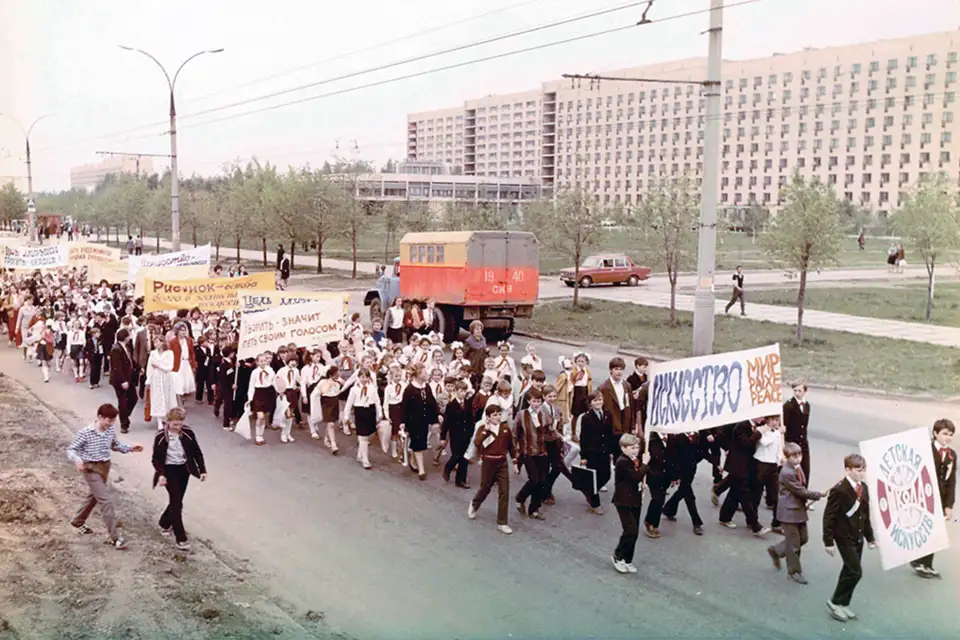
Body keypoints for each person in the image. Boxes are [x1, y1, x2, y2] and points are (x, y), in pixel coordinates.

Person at [67, 403, 144, 550]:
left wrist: (130, 448)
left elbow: (115, 445)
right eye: (109, 420)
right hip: (90, 468)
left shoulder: (110, 430)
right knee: (106, 501)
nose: (110, 424)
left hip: (104, 467)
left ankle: (77, 521)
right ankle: (116, 538)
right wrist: (77, 461)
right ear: (100, 417)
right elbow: (71, 449)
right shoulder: (85, 433)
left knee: (94, 496)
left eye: (113, 421)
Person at [823, 454, 877, 623]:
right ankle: (834, 601)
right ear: (848, 470)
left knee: (849, 570)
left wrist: (870, 538)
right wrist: (828, 541)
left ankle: (843, 603)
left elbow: (865, 515)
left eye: (864, 470)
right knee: (856, 571)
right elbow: (829, 516)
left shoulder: (864, 488)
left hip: (858, 535)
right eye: (859, 470)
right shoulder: (839, 490)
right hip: (843, 536)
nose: (862, 474)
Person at [766, 442, 826, 584]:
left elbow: (801, 488)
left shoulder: (797, 468)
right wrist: (818, 494)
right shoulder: (787, 473)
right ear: (787, 457)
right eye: (794, 456)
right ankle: (794, 572)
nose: (798, 459)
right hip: (789, 512)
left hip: (798, 509)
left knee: (803, 538)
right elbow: (800, 490)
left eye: (799, 455)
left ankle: (777, 550)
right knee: (794, 544)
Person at [151, 408, 207, 551]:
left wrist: (202, 470)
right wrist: (161, 474)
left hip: (184, 469)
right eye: (175, 424)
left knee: (177, 500)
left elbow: (196, 452)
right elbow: (156, 459)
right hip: (169, 471)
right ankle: (180, 538)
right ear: (168, 422)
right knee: (177, 504)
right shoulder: (161, 437)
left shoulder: (188, 433)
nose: (178, 427)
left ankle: (164, 523)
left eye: (180, 424)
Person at [910, 419, 956, 579]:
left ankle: (926, 564)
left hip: (941, 499)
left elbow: (951, 482)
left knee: (936, 531)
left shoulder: (952, 455)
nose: (947, 438)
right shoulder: (925, 450)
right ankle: (919, 561)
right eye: (944, 434)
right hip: (924, 497)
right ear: (935, 434)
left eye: (950, 435)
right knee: (927, 530)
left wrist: (949, 505)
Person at [468, 405, 517, 535]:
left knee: (504, 491)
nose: (497, 417)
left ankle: (502, 522)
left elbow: (511, 447)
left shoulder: (505, 429)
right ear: (488, 417)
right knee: (485, 488)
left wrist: (515, 462)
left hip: (502, 463)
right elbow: (477, 443)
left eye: (499, 414)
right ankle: (474, 504)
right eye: (494, 415)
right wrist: (486, 431)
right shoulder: (483, 428)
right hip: (488, 463)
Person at [718, 417, 771, 537]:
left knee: (734, 493)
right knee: (745, 495)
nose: (763, 419)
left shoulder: (757, 426)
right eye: (761, 416)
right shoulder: (741, 426)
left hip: (748, 466)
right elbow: (746, 443)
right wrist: (759, 433)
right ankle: (755, 526)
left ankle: (724, 517)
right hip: (738, 465)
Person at [611, 433, 648, 574]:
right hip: (623, 501)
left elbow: (640, 476)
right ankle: (617, 555)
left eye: (637, 447)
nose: (635, 450)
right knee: (630, 530)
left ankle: (628, 560)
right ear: (623, 448)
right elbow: (636, 477)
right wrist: (645, 464)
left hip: (635, 499)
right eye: (632, 448)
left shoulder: (635, 460)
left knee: (635, 532)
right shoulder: (622, 461)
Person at [514, 388, 550, 520]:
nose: (536, 404)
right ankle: (520, 497)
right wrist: (516, 453)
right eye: (534, 401)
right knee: (534, 480)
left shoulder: (544, 415)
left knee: (542, 482)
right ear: (529, 401)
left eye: (539, 401)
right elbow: (515, 434)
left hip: (542, 452)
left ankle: (534, 509)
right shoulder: (521, 415)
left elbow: (549, 431)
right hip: (527, 452)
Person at [401, 363, 441, 481]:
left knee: (420, 441)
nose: (426, 374)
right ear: (417, 374)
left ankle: (413, 461)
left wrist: (437, 415)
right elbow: (404, 407)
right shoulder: (409, 389)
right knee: (418, 443)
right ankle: (421, 470)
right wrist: (403, 422)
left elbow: (432, 403)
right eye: (424, 372)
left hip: (424, 420)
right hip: (413, 420)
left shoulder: (426, 387)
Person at [662, 431, 705, 536]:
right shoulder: (676, 437)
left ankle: (668, 509)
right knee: (689, 495)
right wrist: (674, 476)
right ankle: (696, 522)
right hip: (680, 470)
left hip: (691, 470)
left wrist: (716, 464)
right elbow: (671, 457)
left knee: (683, 491)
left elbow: (702, 452)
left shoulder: (697, 435)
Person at [577, 391, 612, 515]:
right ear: (590, 403)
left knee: (606, 475)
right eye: (595, 400)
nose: (599, 402)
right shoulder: (587, 418)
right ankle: (595, 503)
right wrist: (583, 456)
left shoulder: (608, 414)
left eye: (600, 400)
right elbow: (583, 438)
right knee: (594, 477)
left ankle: (589, 491)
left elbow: (609, 434)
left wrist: (611, 451)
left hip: (605, 451)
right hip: (592, 452)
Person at [344, 368, 382, 469]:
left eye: (366, 377)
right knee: (363, 435)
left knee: (369, 435)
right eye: (362, 377)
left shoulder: (372, 388)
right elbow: (349, 403)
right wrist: (346, 416)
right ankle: (365, 459)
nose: (364, 379)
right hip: (360, 411)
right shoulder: (354, 389)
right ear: (359, 377)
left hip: (370, 411)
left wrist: (380, 413)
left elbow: (377, 401)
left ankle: (360, 454)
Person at [441, 380, 473, 488]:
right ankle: (448, 468)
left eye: (464, 391)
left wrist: (471, 433)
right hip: (455, 435)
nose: (463, 393)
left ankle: (460, 480)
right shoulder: (451, 405)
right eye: (461, 391)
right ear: (455, 391)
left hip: (466, 435)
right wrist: (443, 436)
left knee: (464, 458)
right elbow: (446, 422)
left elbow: (470, 419)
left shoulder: (468, 403)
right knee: (456, 456)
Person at [108, 328, 138, 434]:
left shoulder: (126, 347)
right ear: (125, 337)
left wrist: (138, 367)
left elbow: (130, 360)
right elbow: (117, 367)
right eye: (129, 335)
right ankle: (124, 424)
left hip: (128, 378)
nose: (130, 337)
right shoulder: (116, 349)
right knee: (123, 401)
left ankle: (124, 415)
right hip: (120, 380)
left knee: (134, 398)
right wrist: (122, 381)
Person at [783, 380, 811, 489]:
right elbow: (784, 425)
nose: (797, 393)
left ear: (805, 391)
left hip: (803, 442)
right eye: (795, 390)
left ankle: (804, 495)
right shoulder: (789, 405)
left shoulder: (807, 405)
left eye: (799, 390)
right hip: (792, 442)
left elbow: (804, 425)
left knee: (805, 469)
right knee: (792, 470)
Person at [145, 333, 177, 431]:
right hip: (156, 377)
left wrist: (159, 366)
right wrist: (148, 379)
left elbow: (170, 367)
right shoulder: (153, 353)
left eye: (157, 342)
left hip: (166, 377)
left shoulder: (169, 353)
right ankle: (159, 420)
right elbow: (149, 367)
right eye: (154, 342)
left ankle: (167, 417)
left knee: (167, 397)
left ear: (162, 342)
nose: (155, 344)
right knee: (157, 398)